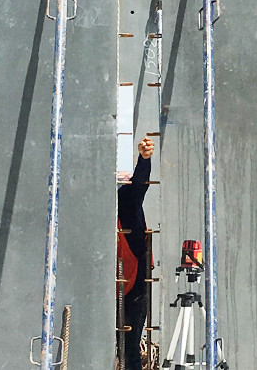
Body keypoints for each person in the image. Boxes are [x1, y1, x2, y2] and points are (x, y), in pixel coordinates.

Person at [116, 136, 157, 370]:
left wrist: (144, 160)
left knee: (130, 345)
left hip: (135, 278)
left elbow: (139, 185)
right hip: (112, 283)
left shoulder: (127, 201)